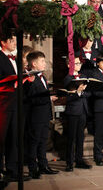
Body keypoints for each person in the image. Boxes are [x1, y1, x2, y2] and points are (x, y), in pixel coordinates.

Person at [0, 35, 21, 182]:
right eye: (12, 40)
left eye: (15, 40)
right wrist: (11, 84)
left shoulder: (16, 59)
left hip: (15, 103)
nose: (15, 43)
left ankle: (12, 170)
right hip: (3, 104)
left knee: (13, 137)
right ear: (2, 42)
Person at [26, 51, 59, 179]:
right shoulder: (30, 79)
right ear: (34, 64)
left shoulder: (43, 77)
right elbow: (32, 99)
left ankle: (43, 165)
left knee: (43, 142)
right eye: (42, 61)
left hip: (45, 115)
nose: (44, 63)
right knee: (34, 142)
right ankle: (32, 169)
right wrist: (49, 99)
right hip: (36, 116)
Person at [63, 56, 92, 171]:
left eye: (79, 63)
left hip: (83, 110)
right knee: (71, 137)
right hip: (73, 111)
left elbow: (89, 93)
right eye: (76, 63)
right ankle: (69, 162)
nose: (79, 65)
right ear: (69, 65)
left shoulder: (84, 77)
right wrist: (77, 93)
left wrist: (81, 93)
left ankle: (79, 160)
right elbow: (68, 97)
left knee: (81, 137)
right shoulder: (67, 78)